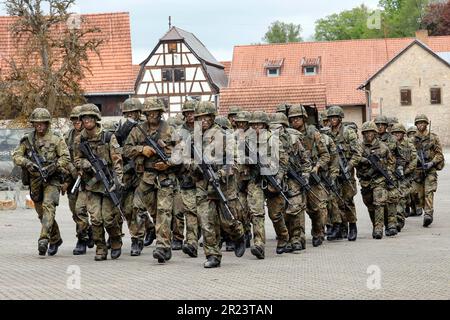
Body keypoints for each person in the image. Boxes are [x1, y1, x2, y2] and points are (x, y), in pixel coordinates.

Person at [123, 97, 179, 263]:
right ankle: (153, 239)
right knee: (148, 210)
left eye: (155, 112)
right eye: (149, 113)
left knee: (164, 211)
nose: (152, 115)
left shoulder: (170, 129)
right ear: (145, 114)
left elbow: (182, 151)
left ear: (160, 113)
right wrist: (142, 149)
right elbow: (125, 150)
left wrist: (168, 163)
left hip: (165, 177)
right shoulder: (138, 130)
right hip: (146, 178)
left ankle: (162, 246)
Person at [192, 101, 246, 268]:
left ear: (212, 117)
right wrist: (196, 166)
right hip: (203, 186)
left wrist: (221, 172)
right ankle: (213, 255)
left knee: (227, 221)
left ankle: (239, 235)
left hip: (224, 185)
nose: (204, 120)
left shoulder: (225, 136)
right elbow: (185, 160)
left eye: (207, 117)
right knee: (207, 222)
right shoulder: (194, 138)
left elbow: (236, 161)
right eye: (200, 118)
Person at [13, 107, 70, 256]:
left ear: (47, 123)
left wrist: (55, 166)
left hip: (53, 179)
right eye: (36, 123)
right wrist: (27, 163)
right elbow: (16, 156)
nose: (39, 126)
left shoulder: (56, 138)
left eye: (42, 123)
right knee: (41, 213)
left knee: (48, 207)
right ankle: (56, 238)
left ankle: (44, 240)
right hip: (35, 180)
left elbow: (65, 157)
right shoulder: (27, 140)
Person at [73, 104, 124, 261]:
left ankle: (115, 241)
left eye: (90, 117)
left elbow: (117, 162)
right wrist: (86, 164)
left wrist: (118, 181)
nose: (87, 120)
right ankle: (100, 248)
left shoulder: (108, 137)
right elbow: (76, 160)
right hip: (92, 185)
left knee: (109, 218)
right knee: (95, 218)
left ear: (96, 119)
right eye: (84, 118)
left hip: (108, 182)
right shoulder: (79, 139)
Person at [288, 105, 329, 247]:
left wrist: (316, 167)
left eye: (298, 118)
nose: (295, 121)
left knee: (316, 208)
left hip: (312, 176)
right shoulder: (288, 135)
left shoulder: (313, 133)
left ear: (304, 118)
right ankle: (298, 238)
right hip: (295, 177)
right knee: (296, 209)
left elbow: (325, 155)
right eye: (292, 119)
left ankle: (318, 232)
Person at [326, 106, 362, 241]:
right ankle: (341, 228)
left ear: (340, 118)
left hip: (346, 172)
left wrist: (349, 166)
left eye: (335, 117)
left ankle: (353, 226)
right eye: (331, 118)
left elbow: (357, 153)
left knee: (347, 200)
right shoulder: (327, 134)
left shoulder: (348, 132)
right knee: (335, 201)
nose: (333, 120)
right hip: (333, 172)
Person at [356, 121, 396, 239]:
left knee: (379, 202)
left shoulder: (383, 147)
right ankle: (376, 224)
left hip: (379, 179)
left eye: (371, 132)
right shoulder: (360, 147)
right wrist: (364, 160)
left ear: (375, 133)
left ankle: (379, 228)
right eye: (366, 132)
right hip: (365, 180)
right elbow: (355, 159)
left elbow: (391, 162)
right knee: (370, 204)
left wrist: (387, 173)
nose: (368, 134)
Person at [63, 105, 93, 255]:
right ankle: (85, 232)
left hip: (89, 179)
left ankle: (83, 238)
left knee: (88, 211)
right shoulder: (67, 137)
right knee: (75, 211)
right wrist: (71, 173)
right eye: (73, 119)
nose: (76, 122)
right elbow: (63, 157)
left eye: (78, 119)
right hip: (73, 179)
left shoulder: (89, 135)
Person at [412, 114, 444, 227]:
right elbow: (409, 154)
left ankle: (428, 214)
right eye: (419, 123)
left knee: (429, 191)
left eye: (423, 122)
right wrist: (416, 159)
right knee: (416, 193)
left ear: (426, 124)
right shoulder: (412, 139)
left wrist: (432, 163)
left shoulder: (433, 137)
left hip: (430, 169)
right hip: (417, 171)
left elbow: (439, 155)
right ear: (416, 125)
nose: (421, 125)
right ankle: (421, 207)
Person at [390, 123, 417, 231]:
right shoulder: (390, 144)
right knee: (392, 198)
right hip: (392, 175)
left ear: (403, 133)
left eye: (399, 133)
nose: (397, 135)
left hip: (405, 176)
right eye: (395, 133)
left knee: (401, 197)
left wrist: (405, 171)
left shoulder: (409, 144)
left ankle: (399, 221)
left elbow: (414, 159)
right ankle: (392, 220)